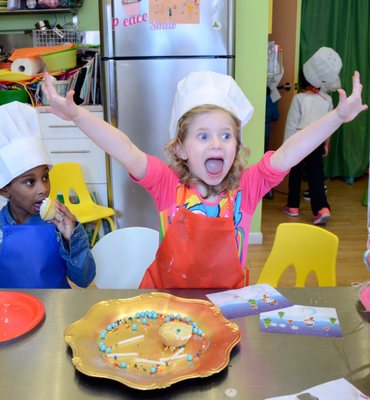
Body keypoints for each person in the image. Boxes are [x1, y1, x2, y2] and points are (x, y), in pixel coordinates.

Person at [43, 69, 366, 289]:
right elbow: (124, 148)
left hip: (227, 305)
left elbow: (291, 151)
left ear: (237, 146)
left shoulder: (248, 189)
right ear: (181, 149)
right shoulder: (166, 185)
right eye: (203, 136)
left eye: (226, 135)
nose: (216, 143)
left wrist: (337, 116)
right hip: (168, 300)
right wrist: (77, 115)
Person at [0, 101, 96, 289]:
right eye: (30, 182)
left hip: (56, 310)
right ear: (5, 189)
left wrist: (71, 239)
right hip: (10, 313)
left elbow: (84, 279)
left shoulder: (61, 226)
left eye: (45, 177)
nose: (43, 188)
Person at [282, 47, 342, 225]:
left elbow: (291, 124)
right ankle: (321, 208)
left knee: (296, 172)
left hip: (299, 140)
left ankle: (293, 206)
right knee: (316, 175)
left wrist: (286, 146)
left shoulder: (299, 98)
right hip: (317, 140)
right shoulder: (328, 100)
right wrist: (326, 144)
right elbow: (330, 125)